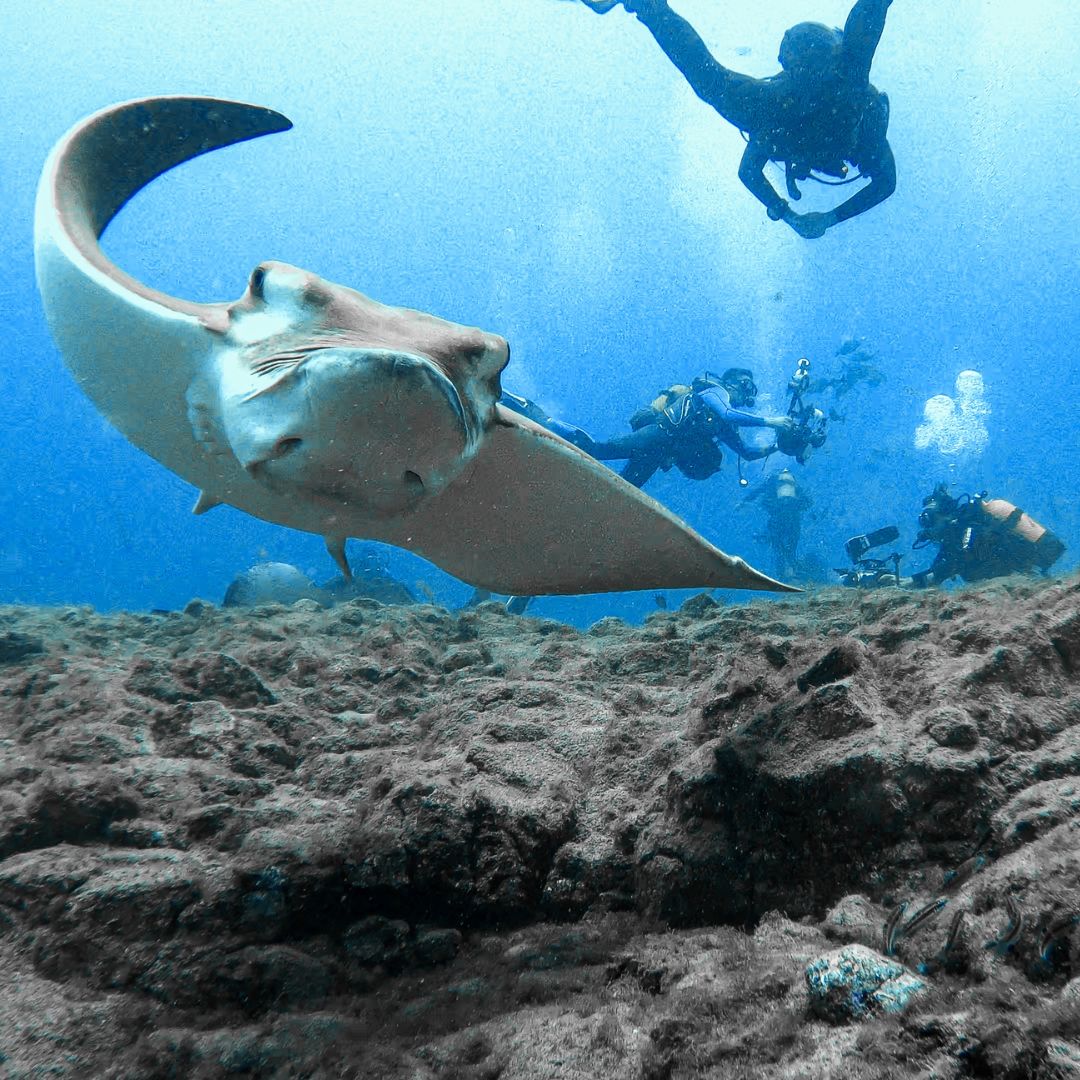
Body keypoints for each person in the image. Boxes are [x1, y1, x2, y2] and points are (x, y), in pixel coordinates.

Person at [580, 0, 897, 238]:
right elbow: (868, 15)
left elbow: (708, 79)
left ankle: (646, 5)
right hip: (808, 111)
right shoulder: (845, 81)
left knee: (712, 84)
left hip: (796, 112)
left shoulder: (805, 97)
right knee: (712, 85)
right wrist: (814, 218)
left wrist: (794, 214)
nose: (810, 89)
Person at [580, 369, 795, 489]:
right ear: (734, 383)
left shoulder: (723, 426)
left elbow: (747, 453)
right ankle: (550, 427)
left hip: (662, 453)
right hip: (656, 434)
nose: (747, 397)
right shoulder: (715, 391)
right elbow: (728, 413)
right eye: (747, 387)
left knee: (624, 489)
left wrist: (778, 446)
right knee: (600, 450)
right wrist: (770, 421)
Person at [908, 484, 1066, 588]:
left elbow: (955, 563)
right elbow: (938, 572)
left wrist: (912, 582)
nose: (927, 529)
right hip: (1021, 580)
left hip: (1025, 579)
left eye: (929, 519)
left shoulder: (968, 526)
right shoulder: (957, 536)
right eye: (923, 523)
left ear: (944, 513)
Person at [741, 466, 813, 579]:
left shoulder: (771, 482)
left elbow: (757, 492)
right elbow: (808, 502)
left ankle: (781, 577)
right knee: (791, 548)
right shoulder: (795, 486)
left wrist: (744, 501)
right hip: (793, 520)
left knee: (778, 549)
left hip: (777, 520)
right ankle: (794, 571)